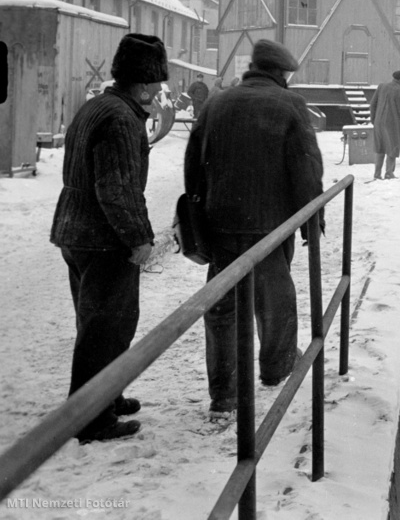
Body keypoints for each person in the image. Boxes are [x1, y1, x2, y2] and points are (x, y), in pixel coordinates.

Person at [187, 39, 325, 418]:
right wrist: (312, 221)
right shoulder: (290, 105)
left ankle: (225, 393)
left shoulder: (217, 102)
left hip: (221, 225)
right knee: (275, 298)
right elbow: (306, 168)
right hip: (270, 226)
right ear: (282, 74)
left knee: (222, 309)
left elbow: (193, 165)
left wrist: (199, 220)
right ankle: (275, 367)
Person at [51, 33, 167, 443]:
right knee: (108, 327)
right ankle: (92, 419)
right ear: (141, 82)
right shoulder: (120, 119)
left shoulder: (98, 105)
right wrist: (139, 238)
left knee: (95, 323)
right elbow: (116, 188)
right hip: (103, 237)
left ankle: (107, 394)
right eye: (156, 84)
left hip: (76, 231)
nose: (159, 91)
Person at [370, 70, 400, 179]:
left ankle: (377, 174)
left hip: (378, 122)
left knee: (380, 147)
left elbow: (372, 104)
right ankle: (389, 173)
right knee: (392, 147)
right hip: (393, 123)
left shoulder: (381, 86)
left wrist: (373, 119)